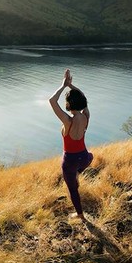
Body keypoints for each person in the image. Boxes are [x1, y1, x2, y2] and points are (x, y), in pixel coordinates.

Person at [49, 69, 93, 221]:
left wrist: (63, 85)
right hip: (84, 157)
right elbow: (84, 99)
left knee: (73, 190)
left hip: (70, 161)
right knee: (89, 157)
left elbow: (52, 101)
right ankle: (78, 172)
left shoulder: (68, 122)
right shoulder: (86, 116)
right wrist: (71, 86)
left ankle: (80, 215)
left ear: (68, 104)